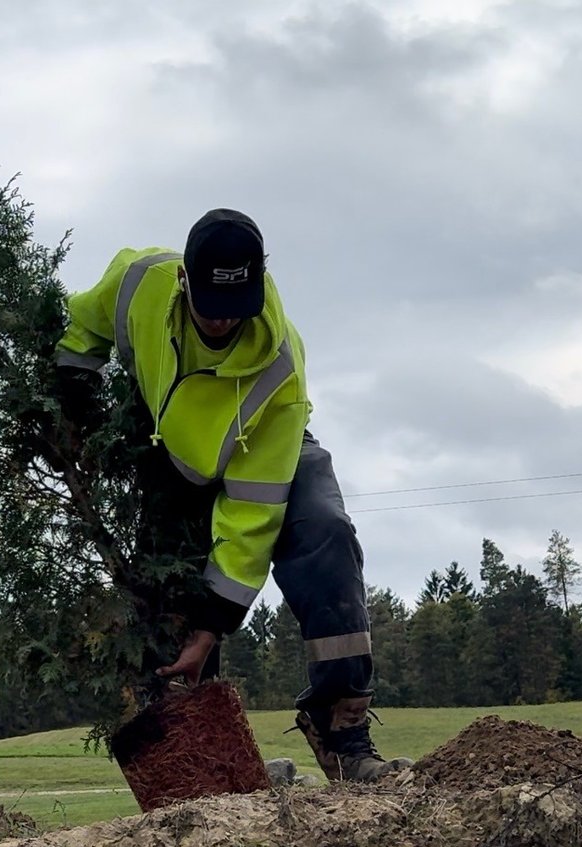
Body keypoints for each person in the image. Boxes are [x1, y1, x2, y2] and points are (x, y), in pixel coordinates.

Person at [49, 208, 410, 782]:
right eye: (208, 311)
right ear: (183, 281)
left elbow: (252, 514)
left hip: (266, 448)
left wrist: (214, 622)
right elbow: (83, 325)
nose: (220, 324)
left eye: (234, 312)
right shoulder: (140, 282)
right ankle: (213, 765)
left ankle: (341, 728)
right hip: (171, 453)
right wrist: (77, 393)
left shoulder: (279, 365)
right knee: (167, 595)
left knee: (325, 532)